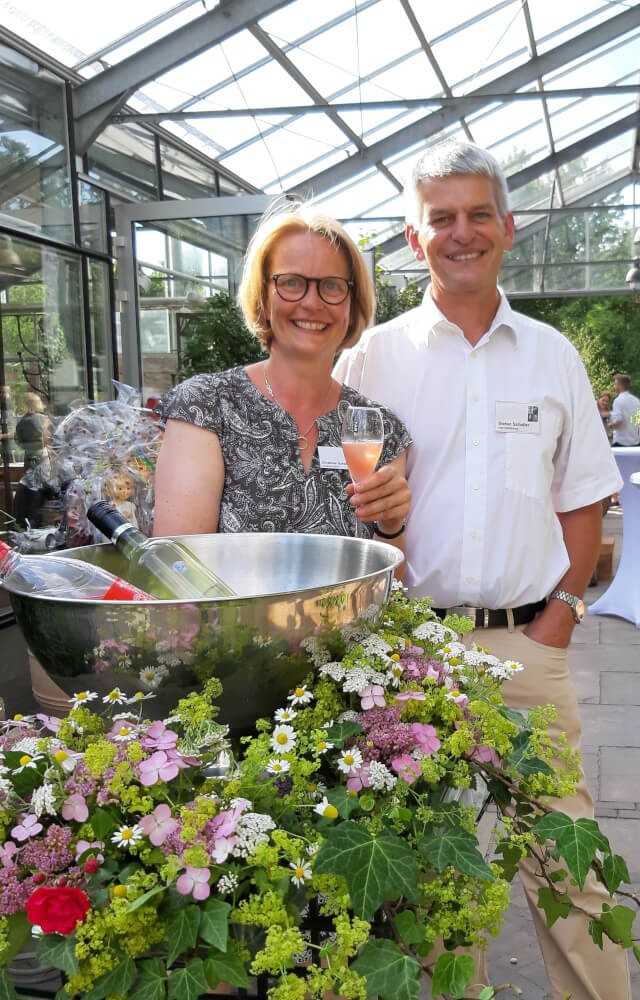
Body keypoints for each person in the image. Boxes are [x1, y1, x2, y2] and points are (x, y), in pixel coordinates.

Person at [334, 141, 628, 1000]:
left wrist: (562, 616)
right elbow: (338, 496)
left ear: (507, 227)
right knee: (424, 861)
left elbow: (583, 498)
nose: (461, 233)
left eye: (477, 214)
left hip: (526, 644)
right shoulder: (370, 359)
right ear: (413, 236)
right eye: (440, 218)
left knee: (566, 862)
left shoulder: (552, 356)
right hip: (407, 652)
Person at [153, 204, 411, 556]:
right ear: (263, 296)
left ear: (351, 303)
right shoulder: (207, 407)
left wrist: (391, 524)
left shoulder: (377, 428)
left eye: (331, 286)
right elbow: (177, 569)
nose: (312, 302)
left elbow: (391, 584)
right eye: (291, 283)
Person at [609, 373, 640, 447]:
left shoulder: (618, 401)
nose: (614, 386)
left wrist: (608, 425)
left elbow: (618, 422)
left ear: (620, 385)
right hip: (635, 442)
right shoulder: (636, 401)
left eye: (615, 384)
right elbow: (638, 421)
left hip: (621, 442)